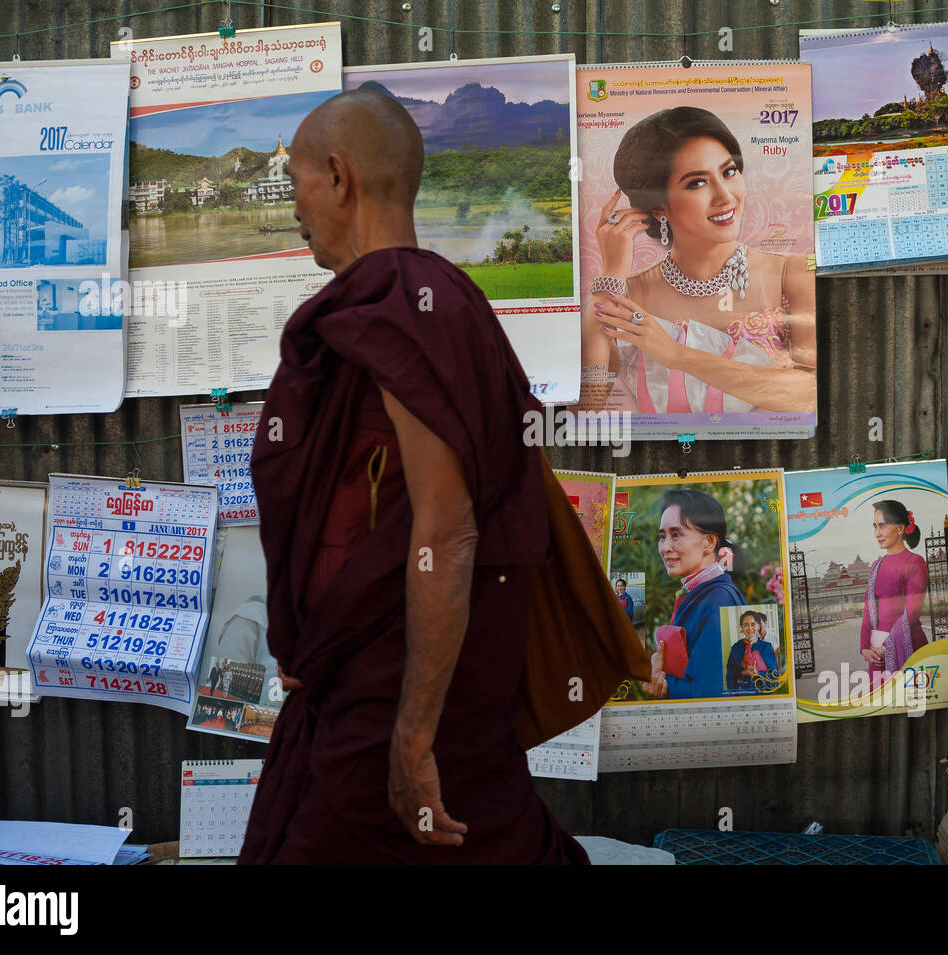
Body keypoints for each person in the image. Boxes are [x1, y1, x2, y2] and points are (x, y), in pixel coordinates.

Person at [236, 89, 588, 865]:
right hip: (354, 678)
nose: (292, 205)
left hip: (399, 695)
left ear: (338, 176)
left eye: (294, 182)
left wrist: (414, 735)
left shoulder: (405, 304)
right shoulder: (410, 304)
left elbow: (445, 525)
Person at [578, 106, 816, 415]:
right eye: (696, 183)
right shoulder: (627, 296)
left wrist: (677, 355)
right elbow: (586, 410)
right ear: (659, 207)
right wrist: (611, 275)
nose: (725, 196)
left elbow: (810, 395)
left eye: (729, 172)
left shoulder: (793, 273)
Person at [641, 488, 744, 700]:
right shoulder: (698, 593)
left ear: (709, 542)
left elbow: (711, 695)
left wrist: (663, 681)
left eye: (676, 534)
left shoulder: (719, 600)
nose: (665, 547)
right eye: (662, 536)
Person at [859, 500, 929, 688]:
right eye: (875, 526)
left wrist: (886, 647)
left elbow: (911, 613)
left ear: (900, 529)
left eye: (882, 526)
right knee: (881, 706)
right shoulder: (876, 566)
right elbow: (868, 609)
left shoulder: (915, 563)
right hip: (876, 656)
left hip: (906, 647)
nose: (877, 533)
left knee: (910, 703)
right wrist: (865, 648)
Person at [726, 610, 778, 692]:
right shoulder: (735, 648)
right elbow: (729, 675)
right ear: (741, 628)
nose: (750, 628)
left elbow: (775, 676)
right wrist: (742, 673)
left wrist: (758, 674)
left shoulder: (766, 647)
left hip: (762, 693)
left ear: (758, 627)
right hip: (742, 694)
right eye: (746, 625)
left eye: (753, 624)